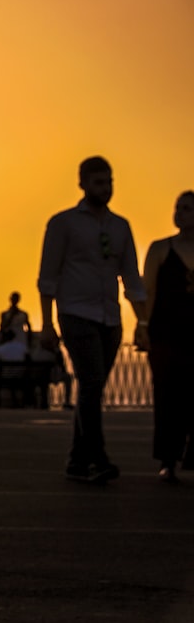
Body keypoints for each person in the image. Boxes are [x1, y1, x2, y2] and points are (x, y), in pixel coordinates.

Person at [38, 155, 147, 484]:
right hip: (75, 314)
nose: (106, 188)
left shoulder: (120, 227)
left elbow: (131, 278)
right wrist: (47, 325)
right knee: (91, 383)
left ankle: (76, 459)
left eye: (110, 181)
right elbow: (48, 277)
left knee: (91, 387)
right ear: (83, 184)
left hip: (110, 319)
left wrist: (143, 323)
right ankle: (98, 457)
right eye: (99, 182)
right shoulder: (63, 224)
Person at [142, 190, 194, 482]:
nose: (179, 213)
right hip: (166, 336)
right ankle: (168, 459)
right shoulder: (161, 249)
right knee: (167, 397)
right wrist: (144, 327)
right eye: (177, 208)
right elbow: (148, 290)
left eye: (186, 208)